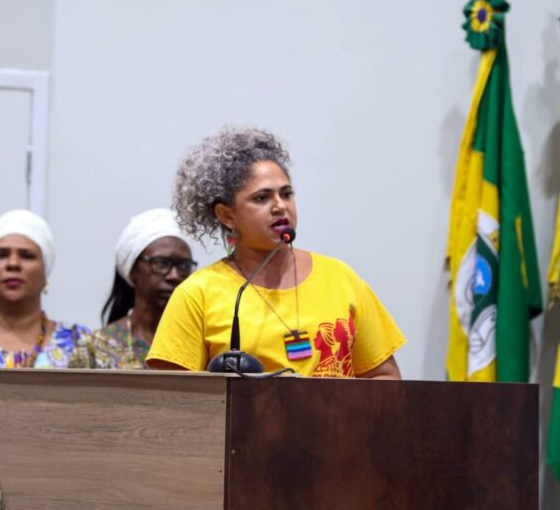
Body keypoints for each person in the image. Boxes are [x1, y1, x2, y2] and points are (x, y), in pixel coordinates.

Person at [147, 127, 405, 378]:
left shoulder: (341, 278)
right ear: (227, 215)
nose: (280, 207)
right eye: (262, 198)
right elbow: (173, 402)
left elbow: (384, 377)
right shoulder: (197, 295)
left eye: (286, 193)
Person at [0, 209, 95, 368]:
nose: (13, 264)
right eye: (1, 255)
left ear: (45, 275)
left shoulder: (77, 341)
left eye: (27, 256)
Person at [91, 208, 197, 369]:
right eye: (161, 263)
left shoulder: (201, 343)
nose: (175, 275)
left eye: (184, 266)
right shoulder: (97, 347)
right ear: (132, 270)